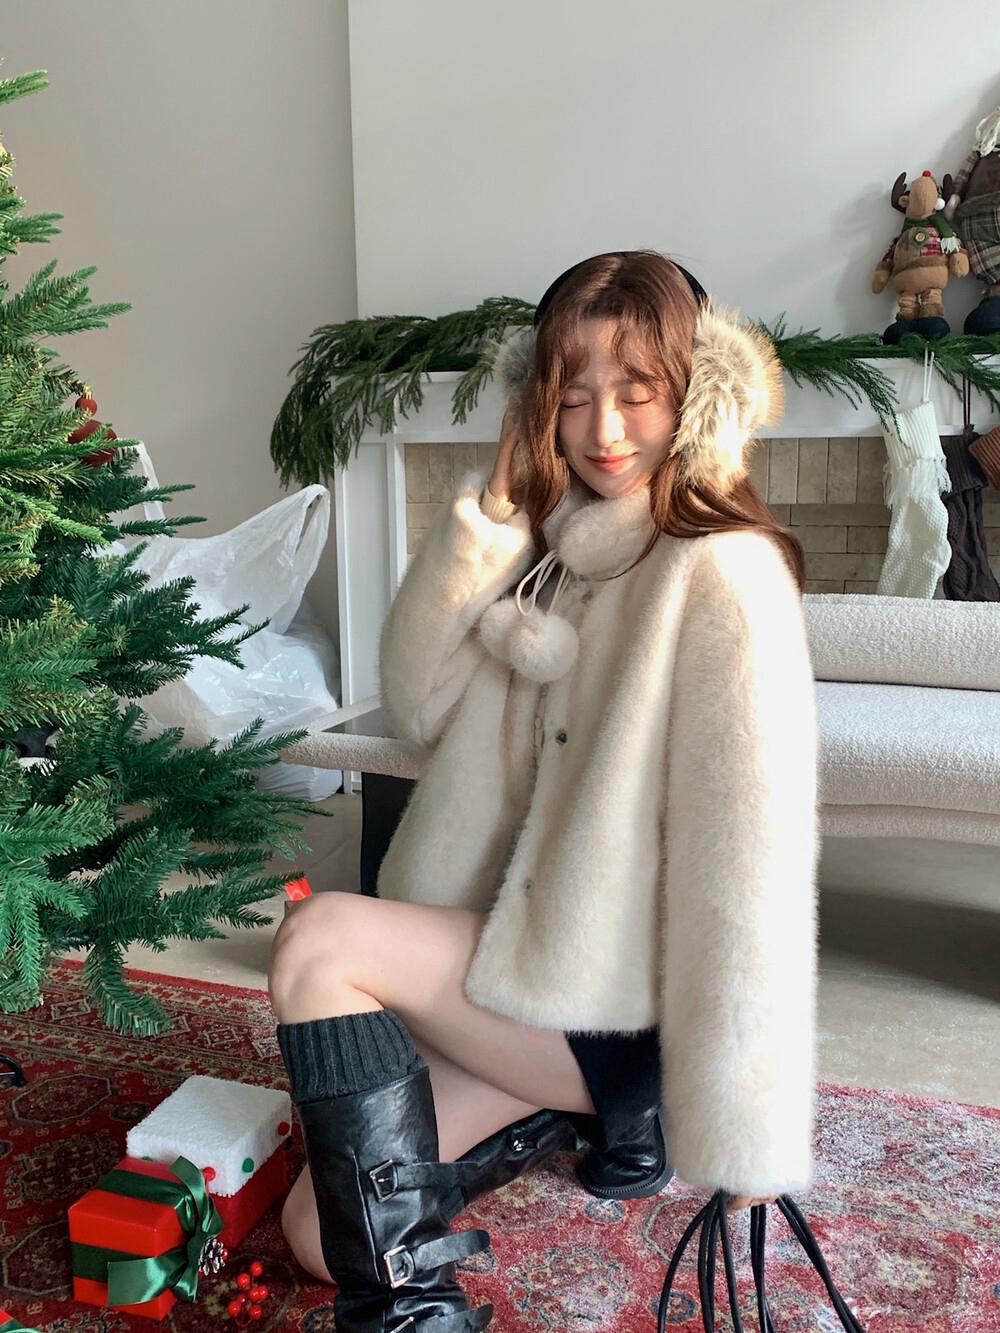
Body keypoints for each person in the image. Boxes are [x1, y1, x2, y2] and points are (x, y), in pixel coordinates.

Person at [268, 249, 820, 1331]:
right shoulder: (556, 556)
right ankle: (573, 1128)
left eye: (637, 391)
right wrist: (492, 517)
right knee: (316, 1238)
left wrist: (745, 1131)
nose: (603, 429)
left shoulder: (723, 572)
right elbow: (416, 702)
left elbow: (746, 869)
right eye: (572, 397)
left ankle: (418, 1316)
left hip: (614, 1017)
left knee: (321, 936)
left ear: (695, 396)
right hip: (514, 970)